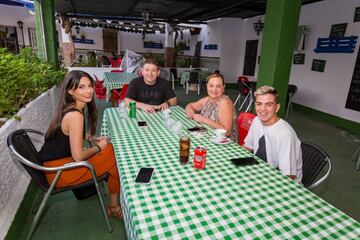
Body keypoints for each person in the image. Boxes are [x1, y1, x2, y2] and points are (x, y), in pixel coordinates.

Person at [39, 70, 122, 219]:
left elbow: (67, 133)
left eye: (90, 85)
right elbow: (78, 157)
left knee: (111, 157)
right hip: (59, 173)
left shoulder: (69, 108)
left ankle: (114, 206)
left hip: (51, 167)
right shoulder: (75, 116)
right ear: (71, 91)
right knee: (113, 153)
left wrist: (90, 138)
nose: (89, 91)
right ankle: (114, 207)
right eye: (81, 87)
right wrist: (98, 147)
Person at [243, 85, 302, 183]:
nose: (263, 109)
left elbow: (288, 176)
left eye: (269, 105)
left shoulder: (285, 134)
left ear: (277, 107)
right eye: (259, 104)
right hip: (261, 170)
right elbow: (247, 147)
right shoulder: (257, 121)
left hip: (282, 181)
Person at [185, 73, 237, 141]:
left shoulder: (225, 103)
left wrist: (204, 120)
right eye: (211, 86)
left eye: (218, 86)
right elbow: (190, 105)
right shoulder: (207, 99)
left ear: (223, 88)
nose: (214, 89)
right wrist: (190, 111)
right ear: (207, 86)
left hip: (224, 143)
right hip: (209, 137)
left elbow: (227, 132)